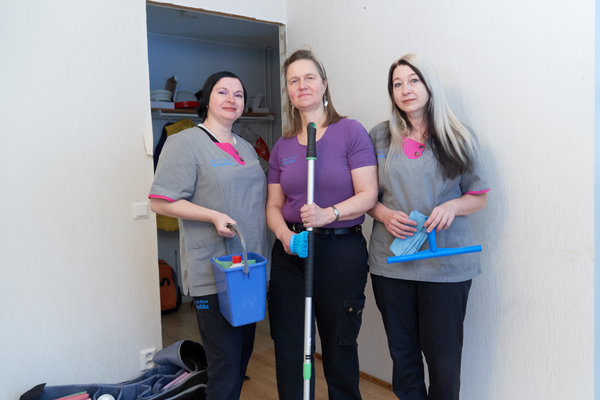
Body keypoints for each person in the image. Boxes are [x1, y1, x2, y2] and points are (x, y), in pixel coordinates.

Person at [367, 53, 490, 400]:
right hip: (392, 264)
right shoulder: (379, 137)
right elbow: (364, 196)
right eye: (397, 84)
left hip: (446, 264)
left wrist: (452, 206)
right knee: (403, 356)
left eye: (414, 80)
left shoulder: (459, 136)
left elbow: (478, 196)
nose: (405, 90)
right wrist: (383, 214)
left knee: (444, 361)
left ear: (429, 85)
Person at [149, 71, 270, 400]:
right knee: (225, 365)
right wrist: (212, 215)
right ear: (206, 100)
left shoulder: (246, 148)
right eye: (222, 92)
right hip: (213, 273)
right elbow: (160, 202)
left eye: (238, 94)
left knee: (240, 359)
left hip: (248, 270)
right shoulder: (185, 142)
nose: (232, 99)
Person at [266, 49, 378, 400]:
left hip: (339, 250)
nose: (302, 85)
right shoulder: (282, 146)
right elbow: (273, 205)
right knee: (290, 346)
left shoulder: (350, 132)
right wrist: (285, 236)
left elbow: (368, 194)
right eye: (293, 80)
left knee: (338, 346)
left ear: (324, 84)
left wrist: (329, 213)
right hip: (291, 254)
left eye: (309, 77)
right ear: (288, 91)